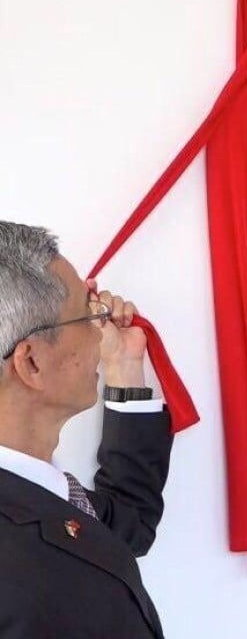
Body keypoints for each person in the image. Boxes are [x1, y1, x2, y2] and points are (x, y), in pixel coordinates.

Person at [0, 221, 172, 638]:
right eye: (86, 314)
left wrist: (125, 365)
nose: (101, 326)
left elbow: (126, 526)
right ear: (31, 363)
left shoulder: (36, 492)